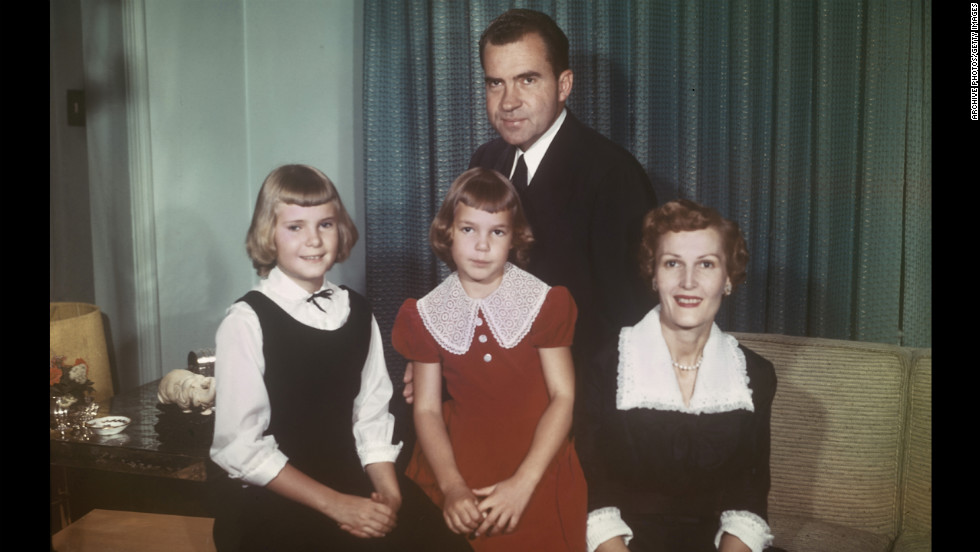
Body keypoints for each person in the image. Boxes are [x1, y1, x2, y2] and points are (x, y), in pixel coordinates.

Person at [404, 9, 658, 412]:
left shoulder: (612, 174)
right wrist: (438, 354)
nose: (508, 102)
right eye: (495, 83)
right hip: (485, 376)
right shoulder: (486, 160)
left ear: (564, 85)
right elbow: (471, 282)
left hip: (570, 397)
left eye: (527, 79)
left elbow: (627, 322)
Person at [209, 164, 470, 551]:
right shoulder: (246, 322)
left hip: (352, 477)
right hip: (277, 498)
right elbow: (239, 448)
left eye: (325, 224)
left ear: (340, 229)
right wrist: (338, 506)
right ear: (269, 234)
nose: (313, 240)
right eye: (295, 227)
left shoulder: (357, 311)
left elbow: (371, 415)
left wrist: (389, 493)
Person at [392, 167, 588, 551]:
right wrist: (452, 487)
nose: (482, 245)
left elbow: (563, 397)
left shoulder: (543, 302)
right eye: (469, 230)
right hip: (462, 468)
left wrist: (523, 483)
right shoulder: (427, 312)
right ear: (448, 232)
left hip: (538, 464)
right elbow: (428, 410)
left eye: (496, 232)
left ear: (514, 238)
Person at [576, 199, 777, 552]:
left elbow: (748, 497)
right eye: (672, 264)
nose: (688, 282)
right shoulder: (605, 365)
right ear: (654, 275)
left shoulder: (755, 376)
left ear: (728, 278)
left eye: (706, 264)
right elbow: (594, 493)